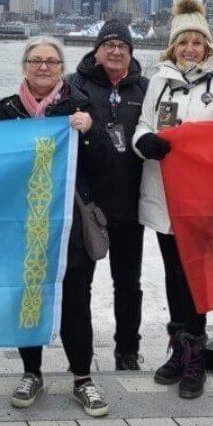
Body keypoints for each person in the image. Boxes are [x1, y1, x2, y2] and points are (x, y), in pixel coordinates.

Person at [0, 36, 114, 416]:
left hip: (69, 223)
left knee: (76, 298)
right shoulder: (7, 110)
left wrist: (90, 132)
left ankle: (82, 377)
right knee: (27, 296)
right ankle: (31, 372)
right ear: (25, 65)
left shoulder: (80, 104)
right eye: (36, 60)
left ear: (62, 68)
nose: (43, 67)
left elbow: (107, 165)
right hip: (22, 222)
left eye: (52, 61)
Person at [133, 0, 213, 399]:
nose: (190, 50)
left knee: (195, 275)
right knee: (171, 274)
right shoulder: (159, 82)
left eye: (197, 43)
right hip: (164, 193)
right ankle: (178, 347)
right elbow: (145, 122)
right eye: (183, 43)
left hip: (201, 200)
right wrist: (144, 141)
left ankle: (196, 351)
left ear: (208, 47)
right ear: (173, 48)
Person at [66, 19, 149, 370]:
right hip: (87, 203)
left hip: (131, 202)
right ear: (97, 50)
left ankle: (127, 350)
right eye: (109, 45)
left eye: (123, 46)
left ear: (131, 53)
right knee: (79, 283)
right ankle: (79, 353)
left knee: (128, 284)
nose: (116, 51)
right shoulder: (74, 85)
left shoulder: (145, 88)